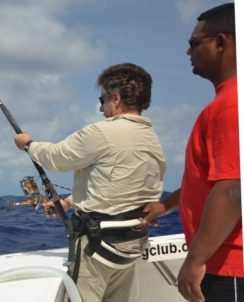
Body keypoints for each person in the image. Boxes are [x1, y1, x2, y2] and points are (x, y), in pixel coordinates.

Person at [14, 63, 166, 301]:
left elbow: (58, 158)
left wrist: (28, 145)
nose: (101, 108)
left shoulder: (101, 132)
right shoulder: (151, 137)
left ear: (115, 98)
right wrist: (70, 202)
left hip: (99, 246)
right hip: (132, 243)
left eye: (102, 99)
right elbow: (118, 187)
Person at [143, 3, 242, 302]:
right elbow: (215, 179)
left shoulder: (231, 105)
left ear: (221, 42)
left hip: (228, 268)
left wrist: (196, 259)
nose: (188, 52)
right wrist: (165, 206)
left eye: (193, 43)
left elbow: (233, 189)